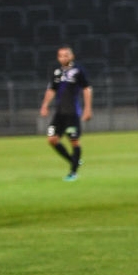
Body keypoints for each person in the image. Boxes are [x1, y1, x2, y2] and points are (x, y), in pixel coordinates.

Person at [39, 45, 92, 181]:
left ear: (71, 56)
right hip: (59, 114)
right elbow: (51, 90)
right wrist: (45, 105)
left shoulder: (78, 71)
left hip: (72, 113)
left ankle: (73, 173)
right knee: (51, 139)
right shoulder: (57, 73)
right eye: (61, 55)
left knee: (74, 141)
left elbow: (87, 89)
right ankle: (74, 161)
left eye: (66, 55)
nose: (63, 58)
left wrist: (87, 108)